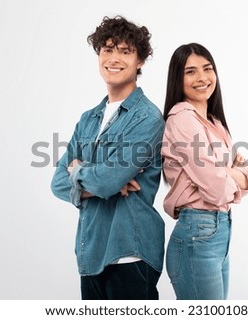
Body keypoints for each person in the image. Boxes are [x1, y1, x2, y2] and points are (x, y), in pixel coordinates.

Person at [51, 16, 165, 300]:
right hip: (90, 253)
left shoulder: (147, 118)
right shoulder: (88, 119)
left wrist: (80, 172)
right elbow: (57, 183)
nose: (114, 58)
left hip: (130, 254)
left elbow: (105, 181)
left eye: (126, 51)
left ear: (140, 61)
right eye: (108, 49)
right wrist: (103, 181)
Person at [161, 43, 248, 299]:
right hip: (198, 235)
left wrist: (227, 173)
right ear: (177, 79)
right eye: (190, 72)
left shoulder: (215, 123)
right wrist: (232, 173)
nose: (202, 78)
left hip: (218, 233)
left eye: (207, 68)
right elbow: (216, 189)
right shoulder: (182, 119)